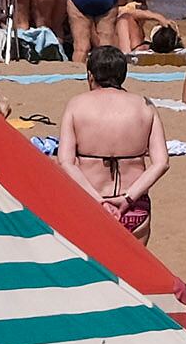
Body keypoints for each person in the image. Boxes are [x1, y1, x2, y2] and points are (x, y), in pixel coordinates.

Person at [62, 45, 162, 244]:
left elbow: (66, 162)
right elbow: (161, 163)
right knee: (132, 273)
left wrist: (99, 201)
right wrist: (128, 198)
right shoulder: (144, 106)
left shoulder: (76, 105)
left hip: (91, 203)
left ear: (90, 75)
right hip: (134, 207)